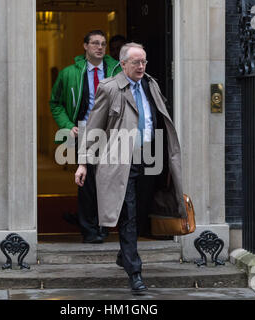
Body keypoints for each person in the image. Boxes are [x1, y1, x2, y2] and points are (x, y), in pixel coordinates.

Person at [75, 43, 187, 293]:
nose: (141, 66)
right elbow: (94, 128)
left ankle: (124, 255)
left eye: (144, 61)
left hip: (150, 158)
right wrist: (83, 163)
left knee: (142, 212)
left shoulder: (151, 84)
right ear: (123, 63)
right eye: (136, 62)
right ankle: (135, 273)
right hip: (121, 162)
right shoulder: (109, 88)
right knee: (129, 215)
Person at [50, 30, 122, 244]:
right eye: (95, 43)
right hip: (85, 129)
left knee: (109, 180)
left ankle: (103, 226)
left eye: (103, 44)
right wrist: (68, 125)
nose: (100, 47)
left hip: (113, 130)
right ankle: (89, 229)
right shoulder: (69, 73)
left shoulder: (117, 71)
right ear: (85, 46)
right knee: (87, 181)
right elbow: (56, 103)